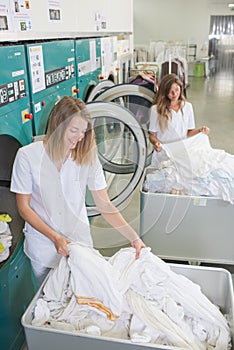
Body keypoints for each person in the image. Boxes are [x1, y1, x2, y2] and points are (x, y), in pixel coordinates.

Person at [10, 96, 145, 287]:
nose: (80, 137)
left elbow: (104, 204)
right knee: (49, 299)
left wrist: (134, 238)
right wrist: (55, 237)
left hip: (78, 243)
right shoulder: (27, 156)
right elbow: (24, 207)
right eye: (74, 130)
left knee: (83, 296)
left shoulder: (87, 156)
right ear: (58, 124)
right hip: (42, 246)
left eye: (83, 131)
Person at [148, 73, 210, 168]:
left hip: (182, 152)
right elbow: (152, 135)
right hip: (164, 153)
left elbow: (189, 132)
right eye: (170, 91)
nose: (174, 94)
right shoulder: (156, 110)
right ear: (164, 92)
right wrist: (156, 143)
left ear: (181, 88)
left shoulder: (187, 107)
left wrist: (200, 130)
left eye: (177, 89)